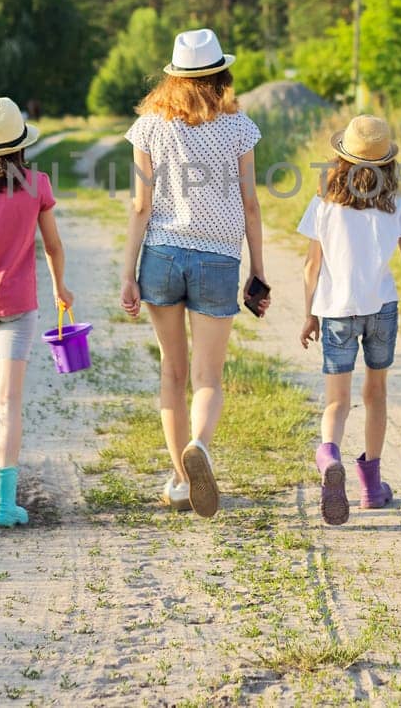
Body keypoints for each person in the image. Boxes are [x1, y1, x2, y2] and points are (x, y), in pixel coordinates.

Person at [120, 28, 270, 518]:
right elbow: (250, 204)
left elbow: (141, 206)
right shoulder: (239, 127)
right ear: (220, 75)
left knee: (172, 372)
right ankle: (199, 448)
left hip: (161, 255)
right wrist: (259, 272)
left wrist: (128, 274)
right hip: (217, 259)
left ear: (173, 77)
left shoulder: (149, 127)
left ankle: (183, 482)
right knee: (207, 377)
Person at [298, 115, 401, 526]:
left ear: (341, 159)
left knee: (337, 401)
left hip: (337, 311)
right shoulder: (397, 205)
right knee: (376, 393)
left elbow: (311, 268)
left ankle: (329, 455)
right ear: (388, 164)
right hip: (381, 308)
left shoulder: (324, 204)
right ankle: (370, 488)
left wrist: (309, 315)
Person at [0, 97, 74, 528]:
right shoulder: (38, 184)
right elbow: (53, 246)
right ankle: (4, 504)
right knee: (10, 399)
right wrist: (62, 288)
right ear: (21, 144)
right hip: (20, 306)